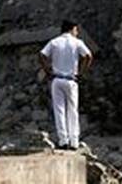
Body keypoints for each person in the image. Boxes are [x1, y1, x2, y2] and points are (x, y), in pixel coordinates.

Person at [39, 19, 93, 150]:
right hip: (71, 79)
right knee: (72, 110)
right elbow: (88, 56)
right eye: (76, 30)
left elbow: (42, 55)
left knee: (59, 110)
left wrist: (48, 70)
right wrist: (81, 72)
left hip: (57, 80)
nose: (77, 32)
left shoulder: (54, 42)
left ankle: (63, 140)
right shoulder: (77, 43)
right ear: (72, 29)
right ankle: (74, 141)